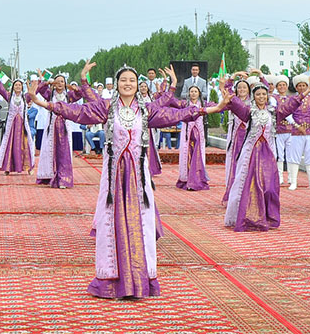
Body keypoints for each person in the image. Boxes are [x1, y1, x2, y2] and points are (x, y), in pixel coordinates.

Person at [32, 62, 225, 299]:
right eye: (123, 80)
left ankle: (140, 277)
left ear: (137, 85)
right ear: (117, 84)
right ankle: (111, 278)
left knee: (141, 222)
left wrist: (213, 109)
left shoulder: (146, 110)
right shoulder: (106, 107)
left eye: (132, 80)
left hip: (138, 177)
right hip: (113, 176)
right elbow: (78, 112)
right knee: (110, 221)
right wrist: (43, 102)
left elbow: (177, 114)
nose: (127, 84)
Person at [223, 76, 300, 232]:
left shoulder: (273, 112)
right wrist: (228, 85)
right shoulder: (248, 112)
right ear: (253, 96)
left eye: (264, 94)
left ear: (267, 96)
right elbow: (234, 101)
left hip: (268, 154)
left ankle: (268, 217)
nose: (261, 97)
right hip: (251, 154)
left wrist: (304, 94)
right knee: (248, 185)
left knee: (270, 187)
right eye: (258, 94)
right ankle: (246, 217)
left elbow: (289, 107)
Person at [34, 72, 88, 189]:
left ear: (65, 84)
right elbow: (39, 89)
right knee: (50, 150)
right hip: (52, 125)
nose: (59, 83)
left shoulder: (69, 96)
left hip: (64, 126)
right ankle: (50, 176)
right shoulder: (49, 94)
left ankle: (64, 179)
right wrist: (46, 83)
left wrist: (75, 88)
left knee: (64, 152)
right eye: (57, 81)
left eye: (62, 81)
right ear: (54, 84)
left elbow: (81, 94)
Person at [282, 74, 310, 191]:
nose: (302, 87)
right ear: (296, 87)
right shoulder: (293, 99)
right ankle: (293, 182)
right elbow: (287, 114)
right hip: (296, 131)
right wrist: (296, 126)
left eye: (304, 85)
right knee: (295, 157)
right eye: (299, 86)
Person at [0, 73, 36, 175]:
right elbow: (1, 90)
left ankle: (29, 167)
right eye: (16, 85)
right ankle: (8, 168)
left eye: (19, 85)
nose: (17, 87)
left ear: (22, 87)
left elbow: (35, 92)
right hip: (12, 125)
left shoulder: (25, 97)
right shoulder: (9, 96)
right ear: (13, 87)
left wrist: (36, 82)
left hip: (22, 126)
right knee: (10, 144)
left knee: (25, 144)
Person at [175, 85, 216, 191]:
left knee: (198, 155)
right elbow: (172, 104)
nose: (193, 93)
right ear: (188, 93)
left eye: (195, 91)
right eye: (191, 91)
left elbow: (217, 106)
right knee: (187, 155)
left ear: (199, 93)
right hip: (187, 134)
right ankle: (187, 179)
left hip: (198, 134)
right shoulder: (184, 104)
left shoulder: (203, 104)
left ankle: (197, 179)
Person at [220, 75, 252, 204]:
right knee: (235, 165)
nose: (242, 89)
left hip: (249, 137)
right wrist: (232, 78)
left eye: (245, 87)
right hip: (236, 138)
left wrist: (260, 76)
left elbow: (265, 90)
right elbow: (227, 90)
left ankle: (248, 196)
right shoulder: (232, 101)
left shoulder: (254, 102)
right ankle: (233, 196)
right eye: (239, 87)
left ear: (249, 90)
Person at [270, 75, 292, 184]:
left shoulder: (291, 99)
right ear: (276, 87)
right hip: (279, 129)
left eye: (284, 85)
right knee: (280, 155)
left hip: (291, 130)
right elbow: (277, 110)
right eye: (280, 85)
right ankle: (280, 177)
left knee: (290, 154)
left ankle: (291, 178)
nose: (282, 87)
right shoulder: (274, 98)